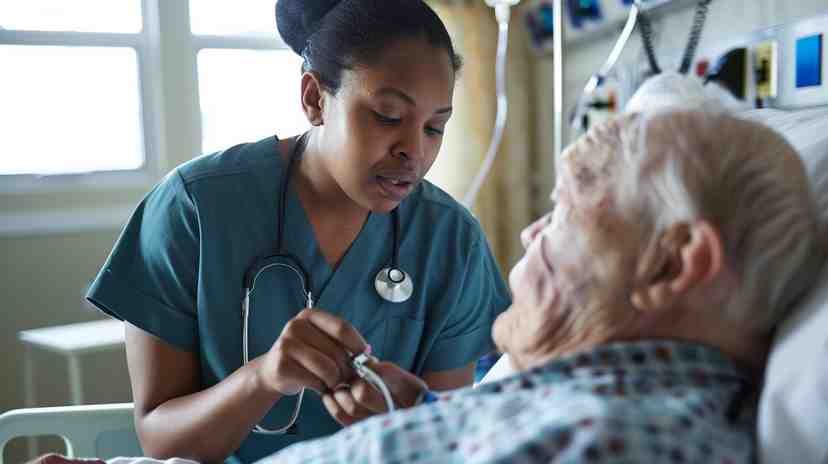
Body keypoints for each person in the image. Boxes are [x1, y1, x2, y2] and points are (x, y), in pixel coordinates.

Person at [263, 81, 825, 463]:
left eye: (568, 212)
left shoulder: (611, 440)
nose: (533, 233)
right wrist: (426, 413)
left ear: (673, 264)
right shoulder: (587, 411)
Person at [85, 1, 510, 462]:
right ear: (314, 98)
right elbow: (161, 440)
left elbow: (448, 441)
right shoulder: (194, 208)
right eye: (388, 116)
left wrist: (400, 422)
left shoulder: (451, 242)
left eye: (434, 127)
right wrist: (262, 378)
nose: (414, 150)